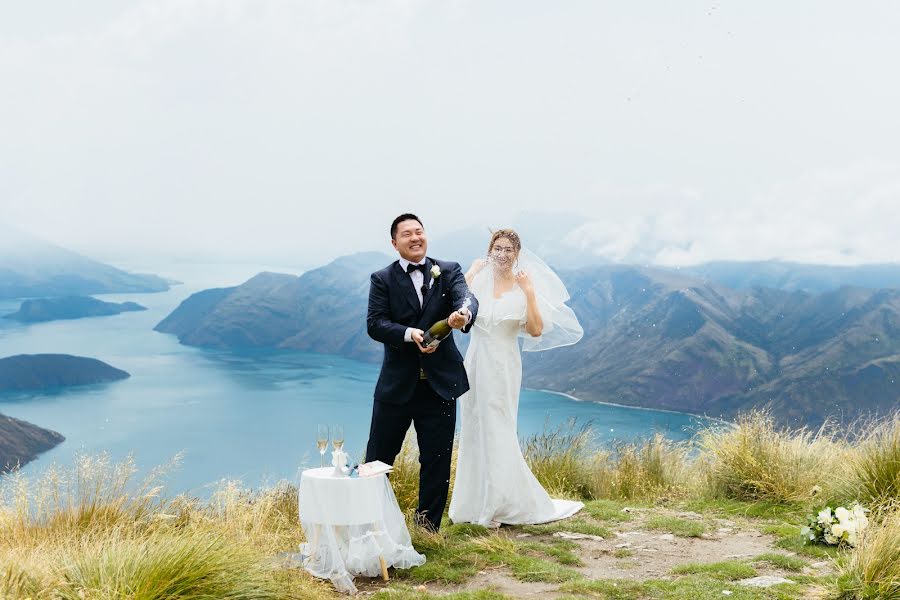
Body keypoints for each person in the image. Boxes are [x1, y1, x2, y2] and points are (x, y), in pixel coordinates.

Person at [449, 228, 584, 527]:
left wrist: (530, 293)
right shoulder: (478, 281)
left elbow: (535, 330)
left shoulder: (524, 285)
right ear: (489, 250)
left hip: (504, 365)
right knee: (473, 426)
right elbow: (455, 311)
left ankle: (500, 504)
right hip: (474, 363)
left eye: (508, 249)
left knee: (499, 427)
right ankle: (472, 505)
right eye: (497, 248)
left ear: (517, 254)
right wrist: (470, 272)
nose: (502, 254)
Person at [365, 213, 479, 531]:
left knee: (436, 461)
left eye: (419, 231)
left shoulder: (449, 270)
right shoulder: (382, 278)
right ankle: (373, 526)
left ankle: (426, 529)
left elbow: (467, 298)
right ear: (394, 243)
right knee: (377, 460)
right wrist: (410, 333)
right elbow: (375, 324)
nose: (415, 238)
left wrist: (463, 313)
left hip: (440, 386)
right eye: (407, 234)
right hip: (396, 387)